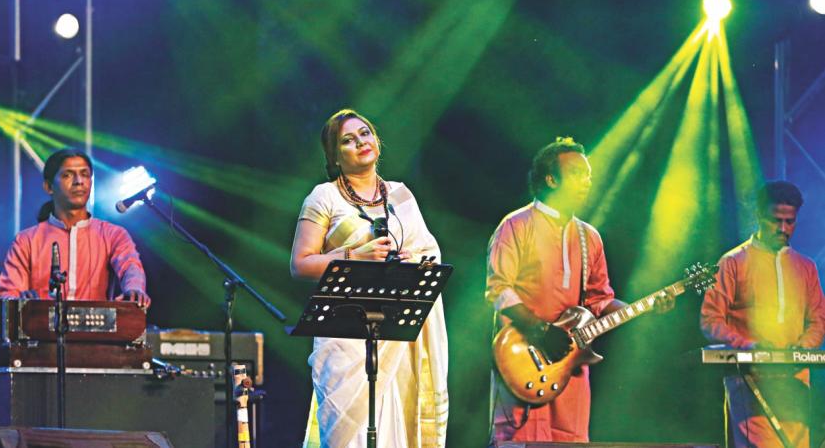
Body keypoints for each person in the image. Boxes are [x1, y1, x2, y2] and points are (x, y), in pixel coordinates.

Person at [486, 137, 671, 443]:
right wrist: (541, 329)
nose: (586, 181)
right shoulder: (516, 225)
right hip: (523, 359)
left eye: (588, 175)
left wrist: (647, 307)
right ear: (551, 179)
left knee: (570, 440)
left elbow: (601, 300)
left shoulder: (589, 236)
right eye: (577, 174)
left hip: (570, 368)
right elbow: (499, 290)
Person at [290, 109, 448, 448]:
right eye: (348, 140)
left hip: (396, 331)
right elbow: (300, 265)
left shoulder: (401, 195)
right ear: (334, 156)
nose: (360, 142)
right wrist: (353, 257)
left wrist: (413, 261)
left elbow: (429, 253)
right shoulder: (324, 197)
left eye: (365, 133)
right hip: (345, 337)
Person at [701, 180, 825, 448]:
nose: (783, 228)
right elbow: (711, 321)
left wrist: (802, 348)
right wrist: (750, 347)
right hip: (750, 383)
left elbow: (817, 321)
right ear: (758, 215)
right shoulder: (732, 262)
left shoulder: (806, 267)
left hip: (795, 385)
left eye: (789, 221)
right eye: (775, 220)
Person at [0, 148, 150, 307]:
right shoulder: (26, 241)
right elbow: (7, 294)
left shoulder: (113, 235)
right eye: (67, 175)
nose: (79, 181)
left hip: (97, 332)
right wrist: (20, 302)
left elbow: (131, 267)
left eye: (85, 174)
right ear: (49, 187)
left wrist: (134, 289)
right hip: (39, 331)